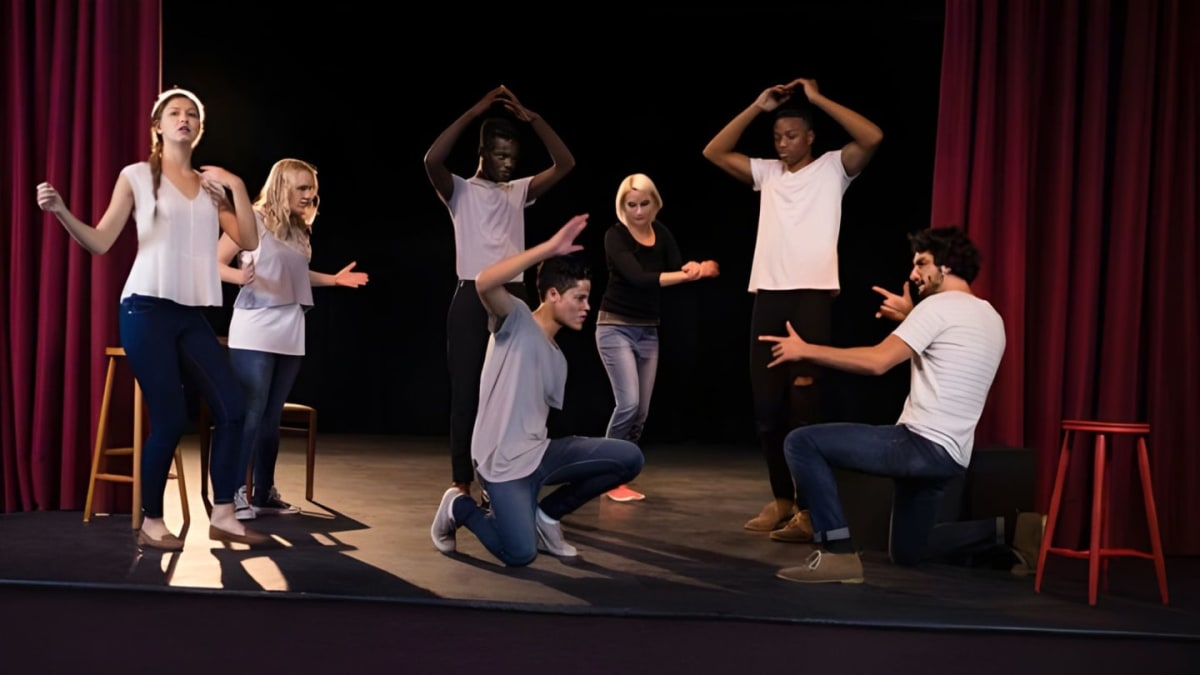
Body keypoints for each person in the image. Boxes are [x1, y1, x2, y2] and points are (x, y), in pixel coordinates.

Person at [35, 87, 270, 549]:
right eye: (174, 112)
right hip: (144, 308)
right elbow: (101, 241)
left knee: (232, 408)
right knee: (169, 419)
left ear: (199, 129)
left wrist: (237, 186)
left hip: (188, 313)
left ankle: (224, 514)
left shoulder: (210, 187)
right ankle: (152, 522)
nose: (184, 118)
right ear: (157, 127)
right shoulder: (137, 176)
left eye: (192, 114)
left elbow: (248, 238)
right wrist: (61, 211)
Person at [758, 226, 1006, 583]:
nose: (913, 274)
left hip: (920, 444)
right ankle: (1006, 532)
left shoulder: (937, 308)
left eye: (922, 263)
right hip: (951, 457)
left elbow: (877, 362)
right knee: (907, 553)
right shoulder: (990, 317)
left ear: (947, 265)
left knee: (801, 442)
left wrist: (805, 350)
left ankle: (837, 553)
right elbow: (953, 353)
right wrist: (911, 317)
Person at [702, 77, 884, 538]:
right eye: (777, 136)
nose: (782, 144)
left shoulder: (832, 168)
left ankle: (809, 508)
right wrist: (756, 105)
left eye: (791, 136)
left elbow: (872, 137)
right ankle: (782, 499)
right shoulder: (767, 173)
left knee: (805, 403)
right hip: (768, 294)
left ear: (810, 137)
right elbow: (714, 151)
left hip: (812, 296)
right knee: (768, 408)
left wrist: (819, 99)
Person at [430, 214, 645, 566]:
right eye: (580, 298)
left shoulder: (559, 359)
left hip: (539, 455)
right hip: (501, 464)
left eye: (588, 299)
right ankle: (459, 506)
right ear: (553, 294)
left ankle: (547, 516)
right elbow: (484, 282)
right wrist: (549, 248)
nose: (587, 308)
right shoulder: (515, 319)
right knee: (520, 554)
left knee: (629, 458)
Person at [425, 85, 576, 502]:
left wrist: (534, 119)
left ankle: (503, 479)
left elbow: (565, 163)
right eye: (499, 155)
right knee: (467, 392)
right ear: (482, 152)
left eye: (512, 157)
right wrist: (474, 111)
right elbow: (431, 160)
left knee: (514, 395)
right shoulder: (459, 190)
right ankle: (461, 481)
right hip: (471, 294)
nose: (508, 164)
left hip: (514, 296)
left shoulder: (519, 191)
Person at [215, 158, 368, 520]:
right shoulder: (252, 219)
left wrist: (333, 280)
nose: (309, 195)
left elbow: (296, 274)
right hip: (255, 325)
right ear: (282, 186)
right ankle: (233, 492)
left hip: (290, 328)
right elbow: (215, 262)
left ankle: (264, 493)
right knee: (251, 413)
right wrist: (239, 277)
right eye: (302, 187)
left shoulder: (300, 229)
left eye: (312, 189)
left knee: (271, 417)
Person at [595, 173, 719, 502]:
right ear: (622, 206)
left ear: (655, 204)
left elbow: (676, 267)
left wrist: (696, 268)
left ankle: (618, 478)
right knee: (628, 404)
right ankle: (603, 476)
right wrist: (688, 276)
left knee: (641, 413)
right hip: (615, 327)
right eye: (631, 205)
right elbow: (639, 277)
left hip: (648, 330)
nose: (638, 211)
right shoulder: (615, 236)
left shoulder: (661, 233)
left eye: (644, 204)